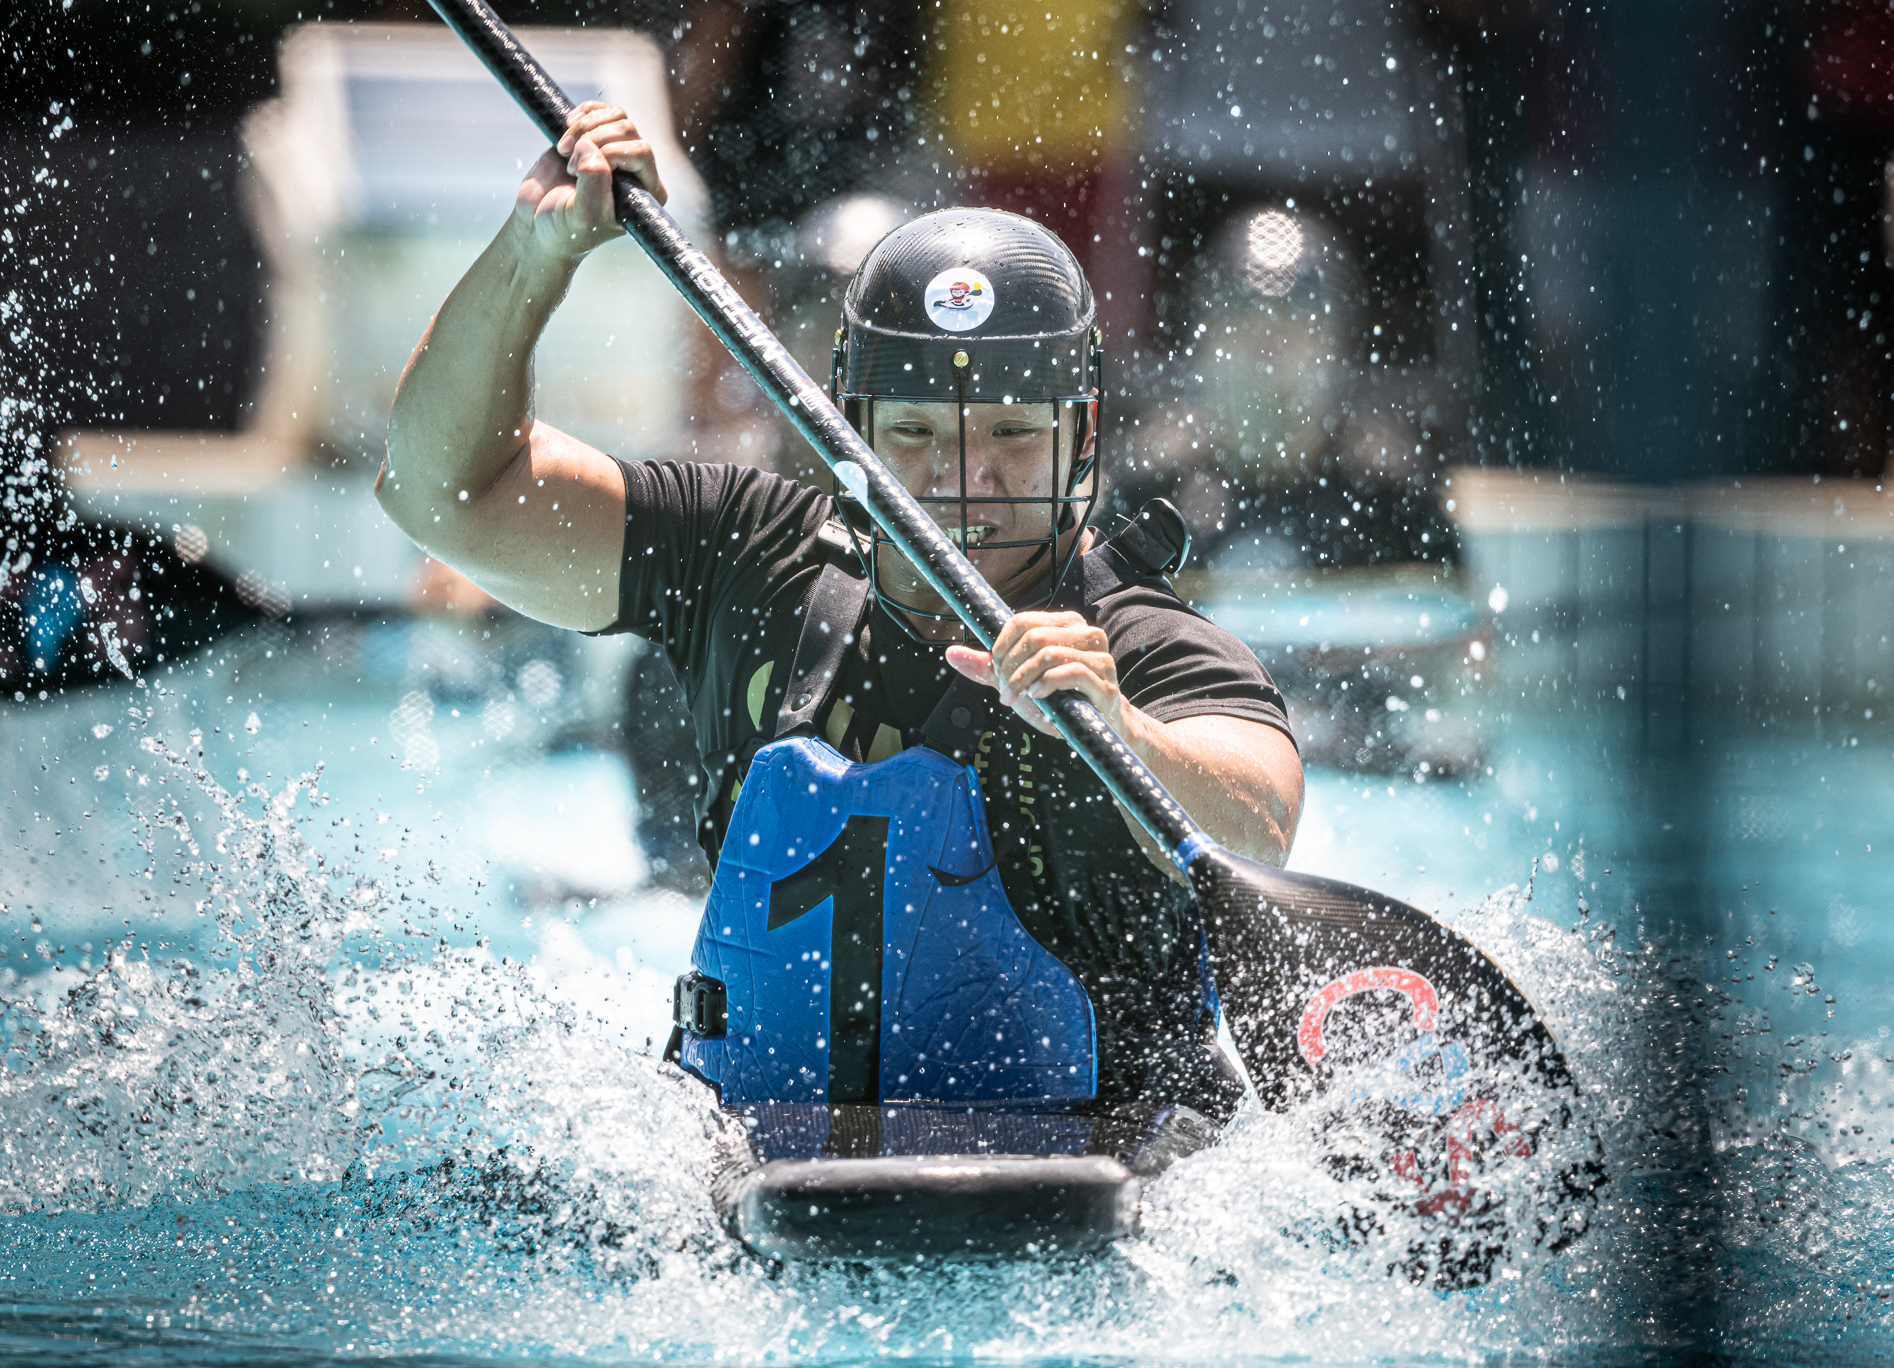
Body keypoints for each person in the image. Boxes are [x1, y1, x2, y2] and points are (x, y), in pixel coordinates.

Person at [377, 102, 1305, 1119]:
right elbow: (441, 494)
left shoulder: (1139, 642)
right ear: (843, 427)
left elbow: (1257, 830)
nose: (964, 475)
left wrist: (1118, 730)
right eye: (912, 432)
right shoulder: (746, 554)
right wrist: (537, 251)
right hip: (763, 1153)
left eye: (1010, 432)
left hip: (1102, 1167)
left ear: (1080, 440)